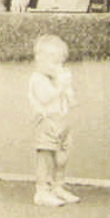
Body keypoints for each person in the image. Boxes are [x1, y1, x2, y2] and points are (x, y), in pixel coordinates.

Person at [28, 34, 82, 206]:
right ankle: (42, 190)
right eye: (53, 63)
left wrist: (68, 90)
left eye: (60, 63)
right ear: (39, 60)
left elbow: (71, 100)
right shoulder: (37, 78)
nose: (58, 67)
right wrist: (60, 85)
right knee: (45, 156)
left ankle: (57, 186)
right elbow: (45, 97)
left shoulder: (57, 79)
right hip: (46, 122)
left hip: (62, 122)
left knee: (62, 157)